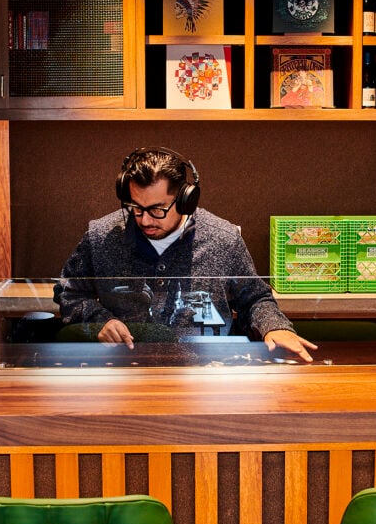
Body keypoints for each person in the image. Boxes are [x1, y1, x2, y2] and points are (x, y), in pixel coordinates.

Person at [58, 147, 317, 362]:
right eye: (135, 207)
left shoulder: (222, 238)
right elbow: (69, 292)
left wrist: (274, 326)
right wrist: (99, 319)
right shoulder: (101, 235)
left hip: (205, 371)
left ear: (185, 200)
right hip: (125, 368)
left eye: (157, 209)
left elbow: (255, 299)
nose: (145, 219)